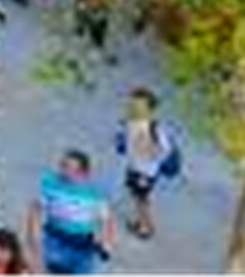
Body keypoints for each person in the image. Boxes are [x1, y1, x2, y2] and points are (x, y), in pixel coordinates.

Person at [30, 148, 116, 274]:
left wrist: (106, 242)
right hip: (55, 239)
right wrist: (34, 238)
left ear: (82, 172)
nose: (62, 170)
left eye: (68, 167)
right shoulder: (50, 184)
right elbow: (36, 210)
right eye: (62, 165)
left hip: (82, 244)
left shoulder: (94, 192)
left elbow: (106, 219)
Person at [114, 88, 175, 241]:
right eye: (132, 105)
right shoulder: (130, 123)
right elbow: (125, 142)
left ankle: (146, 227)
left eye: (140, 107)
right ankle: (140, 221)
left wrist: (151, 151)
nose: (134, 109)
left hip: (145, 172)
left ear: (150, 110)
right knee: (136, 196)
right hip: (134, 167)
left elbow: (165, 150)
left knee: (142, 199)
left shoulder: (154, 129)